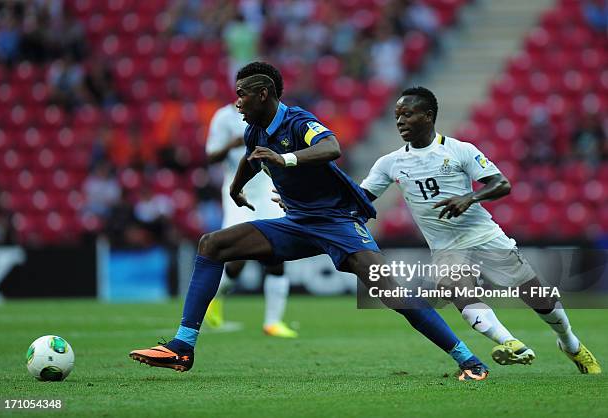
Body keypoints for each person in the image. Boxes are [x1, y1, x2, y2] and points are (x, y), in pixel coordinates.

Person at [129, 62, 489, 381]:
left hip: (337, 222)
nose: (236, 102)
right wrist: (238, 188)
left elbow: (332, 147)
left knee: (390, 290)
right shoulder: (255, 128)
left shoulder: (298, 121)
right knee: (213, 244)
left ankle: (469, 360)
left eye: (241, 95)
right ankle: (183, 345)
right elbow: (253, 158)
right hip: (298, 222)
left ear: (263, 93)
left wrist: (285, 160)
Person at [359, 86, 601, 374]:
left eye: (408, 114)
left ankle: (569, 343)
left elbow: (502, 184)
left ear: (428, 115)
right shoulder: (389, 163)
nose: (400, 121)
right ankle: (510, 343)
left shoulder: (460, 150)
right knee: (457, 291)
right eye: (397, 116)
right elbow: (360, 200)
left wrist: (469, 197)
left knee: (540, 297)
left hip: (484, 235)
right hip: (446, 247)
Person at [203, 95, 297, 338]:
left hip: (268, 189)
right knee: (236, 256)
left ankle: (273, 322)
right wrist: (232, 144)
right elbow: (211, 156)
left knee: (278, 250)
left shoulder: (278, 114)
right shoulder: (224, 117)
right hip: (238, 190)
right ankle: (215, 299)